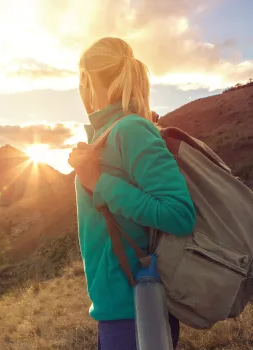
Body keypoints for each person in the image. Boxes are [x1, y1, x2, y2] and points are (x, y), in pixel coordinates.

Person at [68, 37, 196, 349]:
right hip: (118, 306)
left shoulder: (130, 130)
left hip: (138, 307)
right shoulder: (110, 133)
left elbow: (179, 214)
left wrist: (98, 182)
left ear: (88, 77)